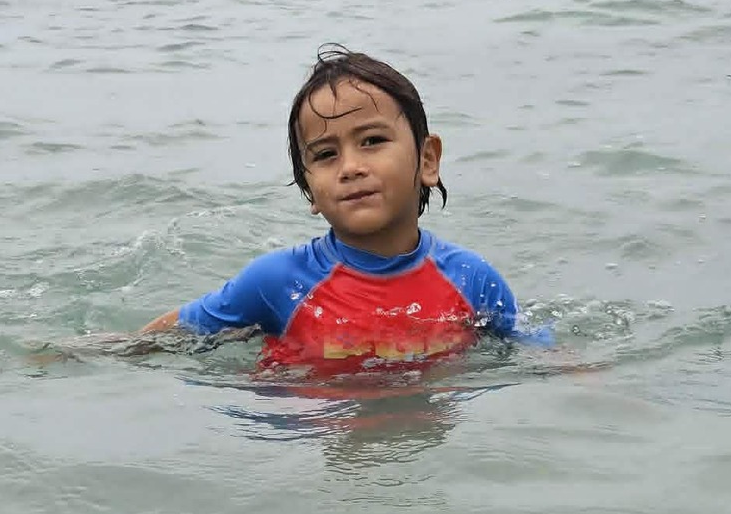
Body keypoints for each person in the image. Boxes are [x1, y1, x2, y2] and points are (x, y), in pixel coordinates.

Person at [136, 44, 537, 373]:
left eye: (372, 141)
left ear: (428, 160)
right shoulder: (278, 282)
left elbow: (532, 354)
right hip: (310, 438)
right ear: (309, 189)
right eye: (326, 154)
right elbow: (161, 339)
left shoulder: (472, 279)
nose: (350, 167)